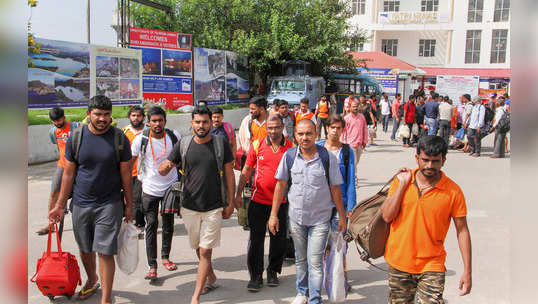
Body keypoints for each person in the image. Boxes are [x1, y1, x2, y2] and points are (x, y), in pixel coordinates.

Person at [48, 95, 133, 303]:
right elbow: (68, 174)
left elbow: (125, 174)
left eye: (106, 115)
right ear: (88, 114)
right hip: (80, 203)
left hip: (109, 203)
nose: (102, 119)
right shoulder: (76, 138)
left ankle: (106, 297)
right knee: (85, 248)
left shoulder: (119, 138)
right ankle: (91, 279)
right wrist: (60, 204)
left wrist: (130, 204)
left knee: (105, 251)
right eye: (97, 114)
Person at [380, 135, 472, 303]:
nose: (430, 166)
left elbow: (462, 231)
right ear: (417, 158)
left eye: (436, 161)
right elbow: (386, 216)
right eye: (425, 160)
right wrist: (402, 185)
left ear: (444, 160)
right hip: (399, 262)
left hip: (432, 265)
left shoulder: (453, 191)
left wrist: (467, 271)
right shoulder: (401, 181)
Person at [159, 106, 235, 304]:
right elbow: (165, 168)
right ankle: (211, 277)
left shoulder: (220, 144)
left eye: (205, 122)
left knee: (204, 251)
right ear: (192, 123)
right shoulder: (183, 144)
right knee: (198, 247)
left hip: (214, 206)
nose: (201, 126)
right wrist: (164, 168)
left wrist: (231, 202)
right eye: (198, 122)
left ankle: (195, 296)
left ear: (211, 122)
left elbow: (229, 174)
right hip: (189, 206)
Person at [268, 119, 347, 304]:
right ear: (295, 135)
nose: (305, 138)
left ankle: (315, 299)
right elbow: (280, 186)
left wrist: (342, 217)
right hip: (297, 218)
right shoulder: (289, 156)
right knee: (300, 259)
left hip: (320, 219)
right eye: (301, 134)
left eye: (309, 133)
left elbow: (335, 189)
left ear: (316, 134)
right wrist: (273, 215)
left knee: (315, 262)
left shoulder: (327, 158)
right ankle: (302, 292)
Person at [235, 114, 294, 292]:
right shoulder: (257, 144)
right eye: (270, 128)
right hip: (258, 201)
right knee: (256, 240)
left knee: (278, 239)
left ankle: (273, 271)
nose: (273, 131)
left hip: (282, 202)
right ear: (266, 128)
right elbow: (246, 170)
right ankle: (255, 276)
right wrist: (238, 194)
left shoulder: (291, 147)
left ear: (283, 126)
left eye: (277, 127)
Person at [130, 106, 181, 281]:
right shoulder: (140, 139)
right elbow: (130, 163)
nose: (157, 124)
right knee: (151, 224)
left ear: (165, 121)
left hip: (170, 187)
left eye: (160, 120)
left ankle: (165, 257)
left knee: (168, 224)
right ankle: (152, 266)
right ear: (148, 122)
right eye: (154, 121)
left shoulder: (174, 136)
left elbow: (181, 158)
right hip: (150, 188)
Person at [318, 114, 357, 289]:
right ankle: (322, 277)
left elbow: (351, 180)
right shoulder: (317, 147)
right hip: (318, 205)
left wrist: (351, 207)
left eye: (338, 128)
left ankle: (341, 278)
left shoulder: (348, 151)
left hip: (339, 205)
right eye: (332, 127)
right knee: (320, 243)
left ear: (343, 130)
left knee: (339, 243)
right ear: (327, 128)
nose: (335, 131)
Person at [37, 107, 81, 235]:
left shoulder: (76, 127)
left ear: (64, 117)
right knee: (54, 193)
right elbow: (59, 148)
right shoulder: (53, 132)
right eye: (54, 121)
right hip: (62, 165)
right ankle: (51, 224)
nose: (57, 123)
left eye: (59, 120)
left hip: (79, 167)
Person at [121, 105, 146, 236]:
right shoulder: (124, 131)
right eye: (133, 115)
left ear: (143, 117)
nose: (136, 118)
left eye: (138, 115)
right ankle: (128, 222)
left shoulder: (147, 131)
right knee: (126, 198)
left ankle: (139, 224)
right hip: (126, 171)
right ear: (129, 117)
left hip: (142, 172)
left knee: (137, 199)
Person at [341, 100, 368, 177]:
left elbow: (365, 129)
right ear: (350, 108)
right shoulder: (346, 118)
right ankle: (354, 180)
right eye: (353, 106)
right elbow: (343, 132)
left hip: (359, 144)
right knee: (353, 162)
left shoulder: (361, 117)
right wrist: (342, 143)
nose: (355, 108)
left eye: (356, 106)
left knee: (356, 162)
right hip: (350, 144)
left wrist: (365, 140)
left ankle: (348, 174)